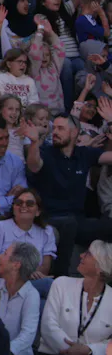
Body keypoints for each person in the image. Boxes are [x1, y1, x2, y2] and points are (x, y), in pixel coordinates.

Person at [25, 113, 112, 276]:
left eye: (60, 128)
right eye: (54, 128)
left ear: (74, 132)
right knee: (69, 224)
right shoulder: (45, 152)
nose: (55, 132)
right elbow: (34, 166)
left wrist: (111, 121)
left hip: (78, 220)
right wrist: (34, 142)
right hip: (49, 219)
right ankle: (61, 279)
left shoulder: (84, 154)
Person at [37, 240, 112, 355]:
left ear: (100, 267)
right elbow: (48, 326)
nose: (81, 255)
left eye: (88, 254)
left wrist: (89, 350)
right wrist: (72, 353)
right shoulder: (61, 284)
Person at [0, 187, 57, 296]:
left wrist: (30, 276)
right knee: (49, 285)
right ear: (13, 208)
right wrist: (23, 274)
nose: (23, 206)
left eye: (29, 204)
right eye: (19, 203)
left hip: (33, 283)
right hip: (4, 283)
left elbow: (45, 267)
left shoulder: (46, 232)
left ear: (38, 211)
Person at [0, 242, 41, 355]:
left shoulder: (31, 295)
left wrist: (3, 352)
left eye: (5, 253)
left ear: (16, 265)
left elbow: (27, 335)